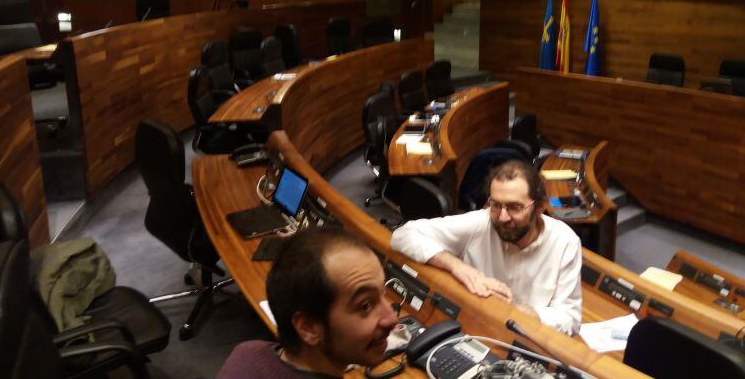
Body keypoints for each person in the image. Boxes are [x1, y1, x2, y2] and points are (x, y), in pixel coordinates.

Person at [391, 159, 582, 335]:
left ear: (540, 206)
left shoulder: (565, 242)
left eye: (515, 207)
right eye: (496, 205)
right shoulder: (481, 222)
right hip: (475, 327)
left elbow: (570, 320)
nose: (502, 217)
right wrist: (457, 266)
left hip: (533, 337)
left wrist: (516, 309)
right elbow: (404, 234)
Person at [217, 228, 398, 378]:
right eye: (365, 305)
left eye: (383, 291)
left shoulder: (247, 352)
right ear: (308, 328)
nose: (392, 318)